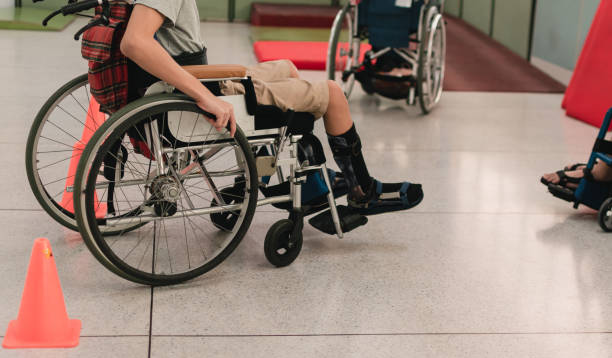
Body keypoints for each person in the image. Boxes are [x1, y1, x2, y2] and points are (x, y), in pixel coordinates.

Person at [120, 0, 423, 214]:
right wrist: (205, 96)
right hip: (199, 89)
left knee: (287, 68)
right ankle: (362, 192)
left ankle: (287, 177)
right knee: (332, 93)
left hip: (197, 80)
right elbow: (134, 42)